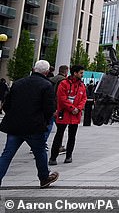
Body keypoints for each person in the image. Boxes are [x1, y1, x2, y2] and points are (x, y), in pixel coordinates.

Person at [0, 60, 59, 188]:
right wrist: (45, 121)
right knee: (40, 152)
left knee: (7, 154)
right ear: (47, 72)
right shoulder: (46, 85)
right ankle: (44, 178)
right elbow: (49, 109)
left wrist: (13, 116)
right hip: (34, 126)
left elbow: (6, 105)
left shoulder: (18, 83)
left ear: (33, 69)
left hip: (15, 126)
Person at [49, 65, 87, 166]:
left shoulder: (81, 85)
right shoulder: (64, 83)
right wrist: (72, 108)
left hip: (75, 114)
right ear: (75, 73)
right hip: (64, 113)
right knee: (59, 134)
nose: (82, 75)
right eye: (81, 73)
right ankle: (53, 157)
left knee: (72, 136)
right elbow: (61, 98)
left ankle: (69, 155)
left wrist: (78, 108)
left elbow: (84, 98)